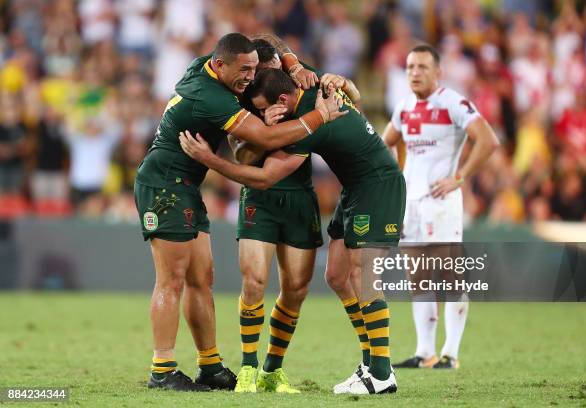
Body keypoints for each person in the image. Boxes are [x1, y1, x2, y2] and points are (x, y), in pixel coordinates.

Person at [134, 32, 343, 391]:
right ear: (220, 65)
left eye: (253, 67)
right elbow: (264, 139)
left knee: (203, 277)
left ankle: (210, 365)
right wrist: (320, 116)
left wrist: (290, 60)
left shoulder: (205, 68)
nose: (250, 76)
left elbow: (265, 40)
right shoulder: (212, 96)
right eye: (244, 69)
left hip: (185, 186)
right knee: (172, 279)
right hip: (163, 185)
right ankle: (162, 369)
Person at [179, 68, 406, 395]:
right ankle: (371, 362)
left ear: (283, 100)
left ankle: (382, 372)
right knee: (338, 276)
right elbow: (353, 94)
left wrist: (209, 160)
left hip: (378, 186)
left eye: (262, 107)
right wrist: (344, 82)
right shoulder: (312, 89)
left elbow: (264, 177)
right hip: (355, 188)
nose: (259, 114)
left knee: (363, 274)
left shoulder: (309, 122)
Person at [230, 37, 359, 394]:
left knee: (296, 289)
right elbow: (240, 155)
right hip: (260, 195)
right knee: (254, 281)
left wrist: (304, 66)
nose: (263, 78)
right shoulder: (243, 100)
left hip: (300, 196)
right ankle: (247, 367)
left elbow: (353, 100)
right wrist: (264, 135)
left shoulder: (300, 80)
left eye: (269, 69)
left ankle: (272, 369)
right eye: (257, 71)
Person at [382, 44, 498, 369]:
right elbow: (384, 144)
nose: (415, 73)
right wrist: (395, 179)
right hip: (411, 203)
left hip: (441, 202)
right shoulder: (404, 107)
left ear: (438, 72)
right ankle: (424, 352)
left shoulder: (453, 102)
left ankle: (451, 353)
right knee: (417, 277)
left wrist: (458, 177)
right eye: (409, 67)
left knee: (450, 279)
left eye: (421, 67)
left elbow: (488, 140)